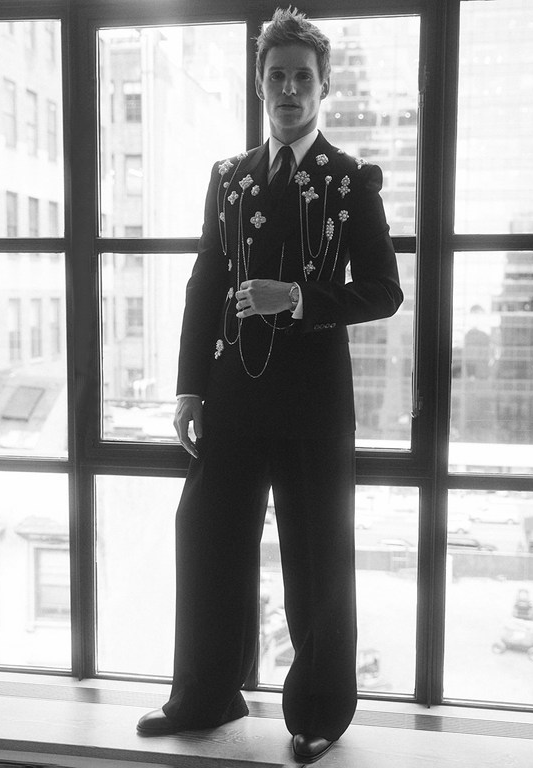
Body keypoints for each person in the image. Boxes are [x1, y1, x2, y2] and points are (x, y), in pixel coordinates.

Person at [137, 8, 403, 763]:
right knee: (206, 536)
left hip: (314, 403)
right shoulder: (230, 178)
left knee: (316, 558)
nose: (289, 90)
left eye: (302, 78)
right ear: (260, 85)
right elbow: (205, 282)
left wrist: (299, 299)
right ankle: (205, 695)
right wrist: (189, 388)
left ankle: (318, 715)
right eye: (277, 76)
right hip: (233, 394)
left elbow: (384, 291)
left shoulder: (351, 181)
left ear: (324, 86)